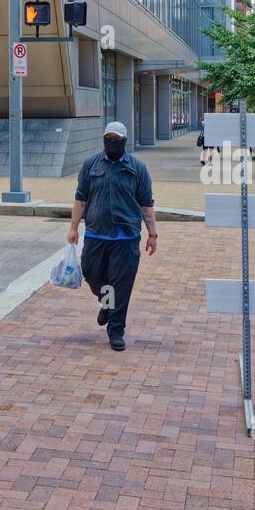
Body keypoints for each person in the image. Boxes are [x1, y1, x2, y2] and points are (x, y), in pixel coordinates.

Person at [67, 121, 157, 352]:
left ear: (124, 142)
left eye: (116, 140)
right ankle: (106, 304)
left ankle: (116, 330)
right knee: (92, 274)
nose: (112, 143)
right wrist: (74, 227)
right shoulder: (91, 165)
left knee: (121, 286)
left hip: (125, 238)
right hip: (96, 234)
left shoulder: (137, 167)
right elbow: (80, 198)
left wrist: (152, 234)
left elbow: (146, 204)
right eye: (108, 139)